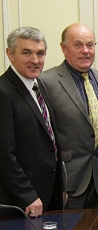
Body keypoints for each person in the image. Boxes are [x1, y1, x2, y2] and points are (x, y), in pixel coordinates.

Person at [41, 23, 98, 209]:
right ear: (64, 48)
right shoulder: (46, 81)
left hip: (96, 181)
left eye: (90, 45)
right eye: (78, 45)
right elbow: (43, 140)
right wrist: (56, 185)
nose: (85, 51)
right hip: (66, 182)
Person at [0, 27, 63, 217]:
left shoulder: (39, 84)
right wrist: (27, 195)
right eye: (26, 53)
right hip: (21, 201)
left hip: (47, 192)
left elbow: (48, 138)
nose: (35, 60)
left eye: (40, 53)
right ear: (10, 54)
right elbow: (4, 155)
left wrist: (59, 187)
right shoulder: (3, 92)